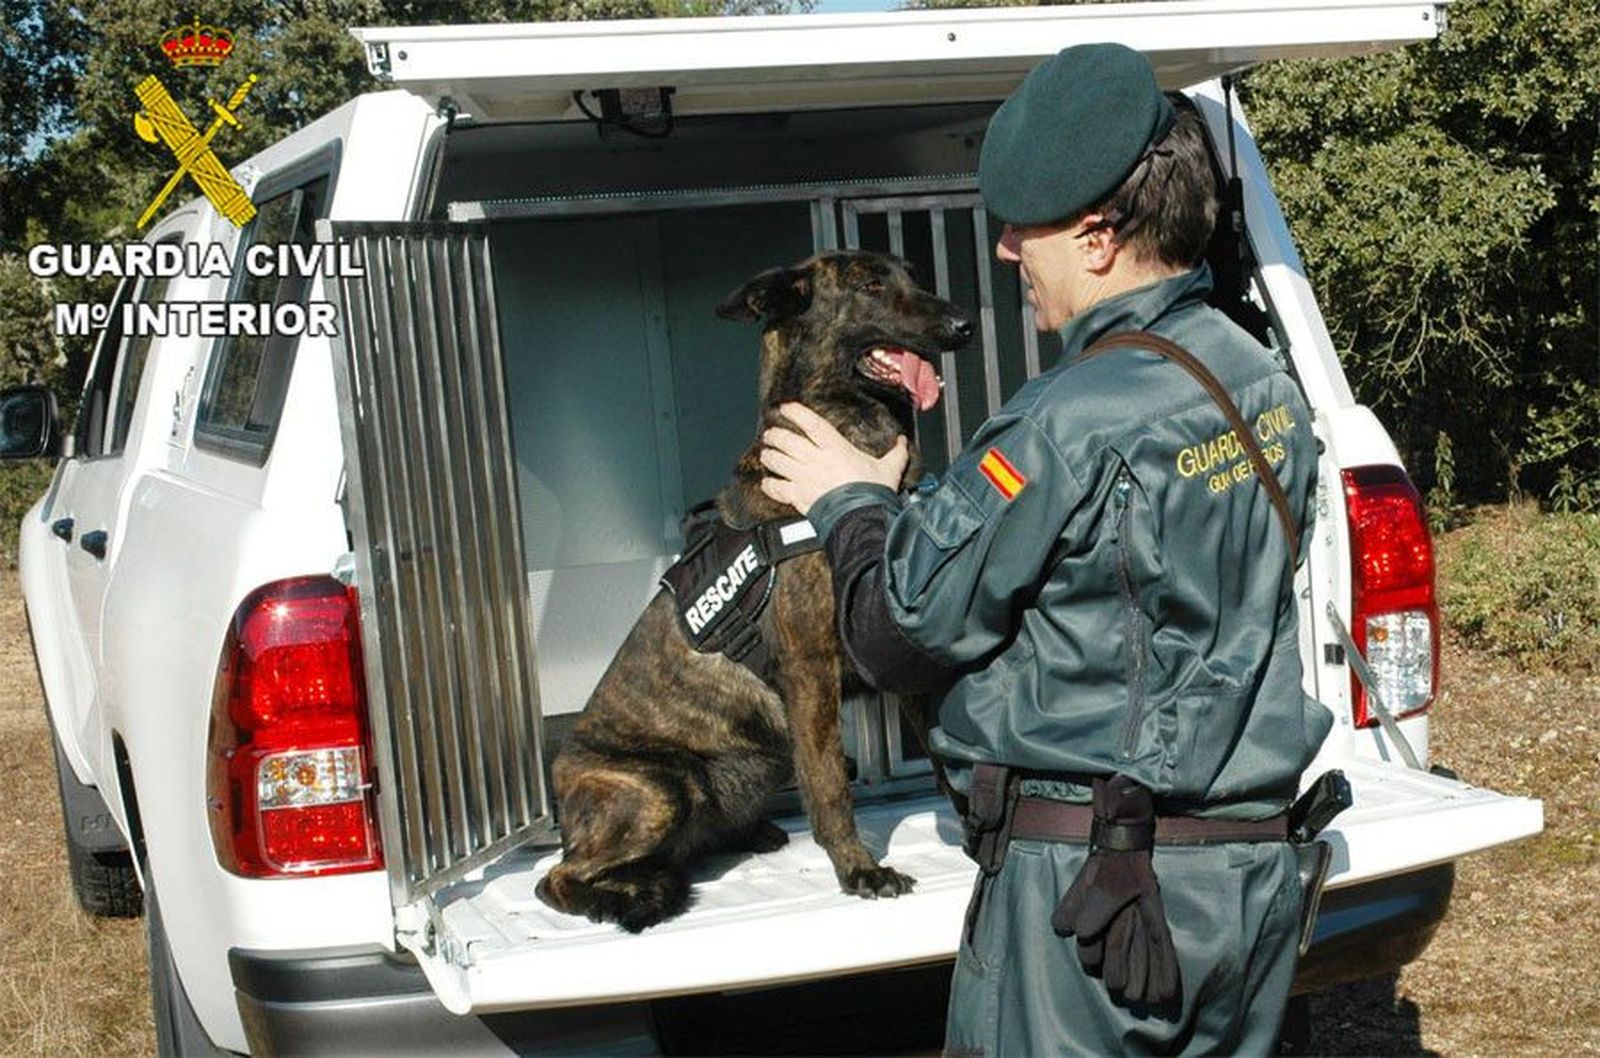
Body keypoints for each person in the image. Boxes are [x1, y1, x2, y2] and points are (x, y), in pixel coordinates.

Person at [758, 43, 1332, 1057]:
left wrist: (848, 501)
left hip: (1097, 908)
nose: (1009, 252)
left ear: (1101, 236)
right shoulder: (1257, 377)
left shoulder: (1062, 423)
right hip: (1247, 886)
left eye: (1028, 228)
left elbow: (896, 634)